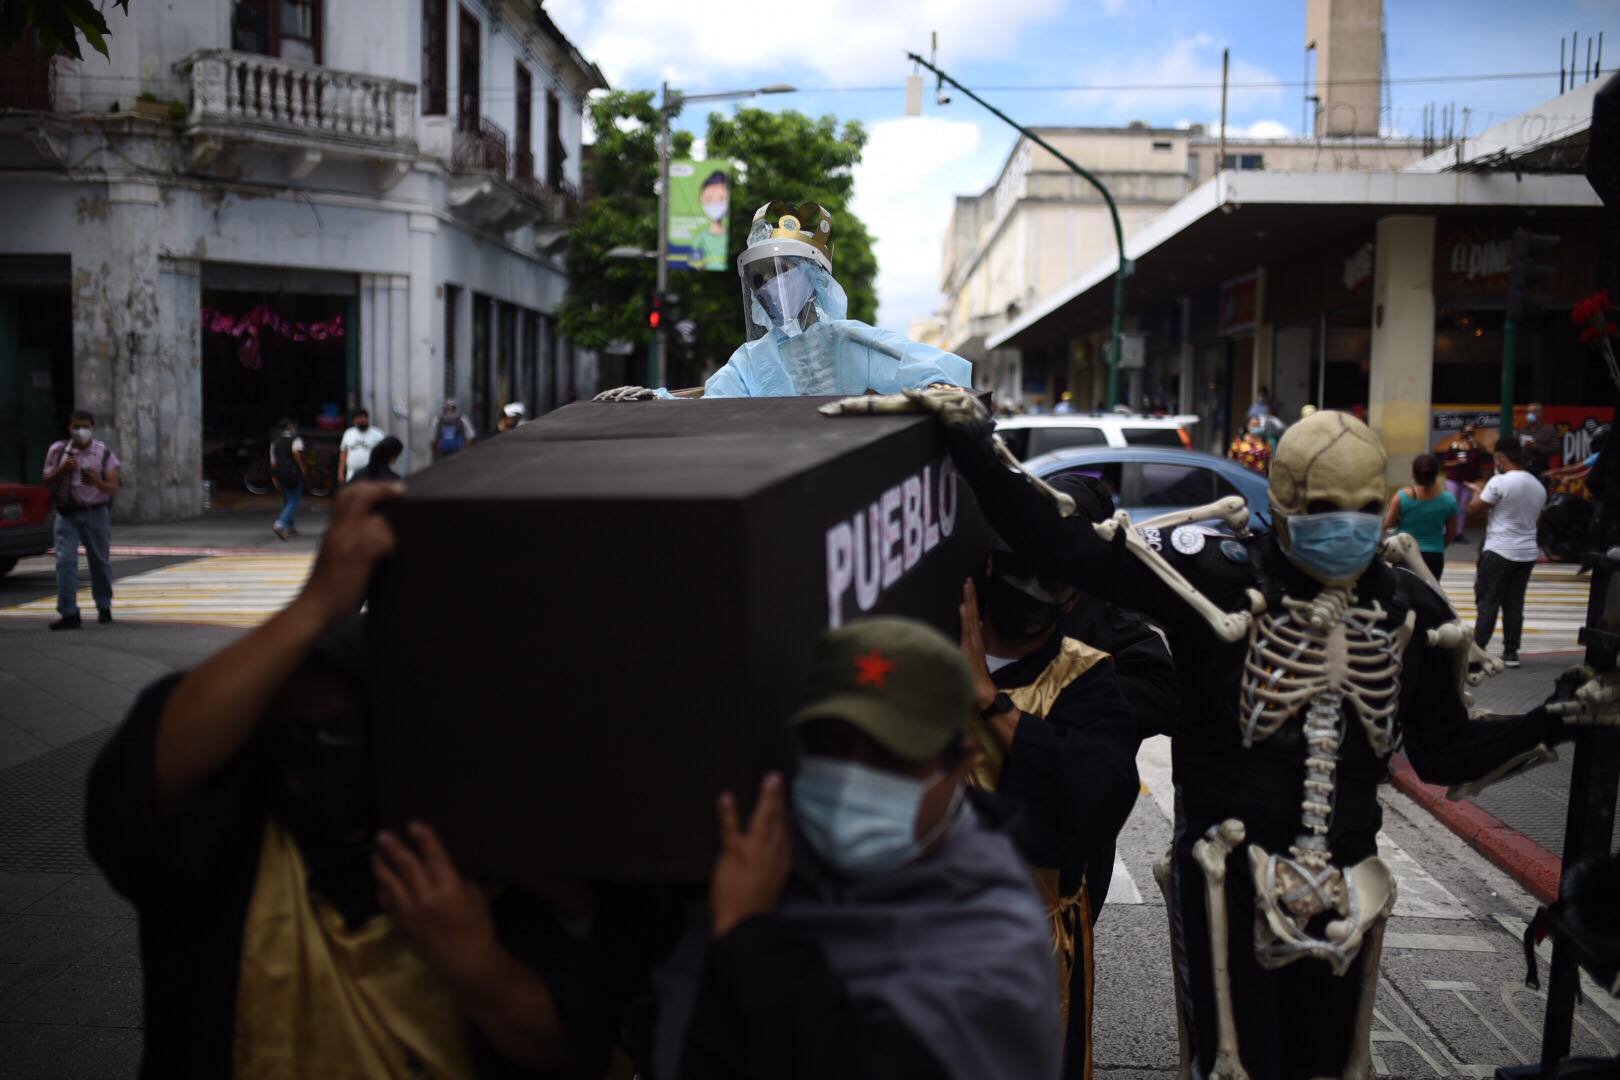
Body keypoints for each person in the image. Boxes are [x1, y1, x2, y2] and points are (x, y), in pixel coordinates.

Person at [909, 396, 1578, 1080]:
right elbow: (1064, 545)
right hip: (1228, 874)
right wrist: (972, 437)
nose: (1341, 526)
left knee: (1330, 1065)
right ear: (1282, 502)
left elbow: (1444, 753)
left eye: (1359, 506)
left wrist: (1553, 718)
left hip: (1351, 881)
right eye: (1321, 505)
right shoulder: (1215, 577)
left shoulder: (1409, 609)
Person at [86, 484, 633, 1078]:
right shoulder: (244, 840)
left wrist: (476, 967)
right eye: (307, 726)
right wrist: (315, 608)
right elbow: (145, 769)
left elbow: (584, 1041)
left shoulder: (493, 867)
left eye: (349, 727)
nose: (329, 745)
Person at [659, 617, 1061, 1080]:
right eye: (831, 747)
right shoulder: (763, 867)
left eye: (889, 757)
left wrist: (751, 936)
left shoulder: (996, 940)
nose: (852, 778)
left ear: (960, 763)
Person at [959, 550, 1139, 1076]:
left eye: (1053, 580)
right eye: (1022, 570)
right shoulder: (925, 653)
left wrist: (992, 703)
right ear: (990, 568)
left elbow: (1092, 797)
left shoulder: (1084, 677)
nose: (1033, 591)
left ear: (1073, 597)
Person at [595, 201, 972, 401]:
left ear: (814, 277)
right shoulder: (750, 361)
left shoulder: (848, 342)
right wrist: (653, 401)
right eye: (760, 278)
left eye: (782, 272)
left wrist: (935, 390)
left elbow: (936, 372)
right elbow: (710, 406)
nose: (769, 286)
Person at [1468, 439, 1547, 668]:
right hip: (1526, 552)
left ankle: (1478, 649)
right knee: (1514, 602)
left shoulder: (1499, 482)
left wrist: (1476, 491)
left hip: (1499, 549)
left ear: (1501, 458)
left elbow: (1473, 510)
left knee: (1488, 600)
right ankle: (1511, 652)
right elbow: (1537, 520)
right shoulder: (1537, 485)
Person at [40, 409, 120, 630]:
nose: (80, 431)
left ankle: (104, 606)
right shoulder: (58, 451)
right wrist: (62, 470)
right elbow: (46, 479)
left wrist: (97, 482)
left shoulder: (103, 453)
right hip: (68, 514)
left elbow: (113, 487)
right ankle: (69, 612)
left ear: (93, 428)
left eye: (85, 427)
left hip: (96, 512)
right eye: (76, 427)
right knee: (65, 561)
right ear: (69, 428)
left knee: (100, 561)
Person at [1383, 453, 1458, 580]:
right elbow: (1451, 534)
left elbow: (1388, 524)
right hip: (1434, 556)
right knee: (1429, 596)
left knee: (1404, 595)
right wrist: (1437, 546)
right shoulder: (1449, 500)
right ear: (1437, 473)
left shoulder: (1401, 497)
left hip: (1405, 554)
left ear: (1413, 473)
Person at [1437, 423, 1489, 541]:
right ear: (1461, 433)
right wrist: (1457, 462)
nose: (1469, 435)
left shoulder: (1475, 447)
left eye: (1472, 432)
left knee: (1462, 507)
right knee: (1451, 505)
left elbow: (1483, 458)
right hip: (1454, 480)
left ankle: (1458, 533)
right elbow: (1445, 463)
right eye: (1467, 432)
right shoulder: (1455, 446)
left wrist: (1475, 443)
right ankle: (1446, 531)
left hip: (1468, 482)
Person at [269, 417, 306, 542]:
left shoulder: (275, 442)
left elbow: (273, 462)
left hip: (280, 474)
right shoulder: (296, 439)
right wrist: (303, 468)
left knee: (287, 499)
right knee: (293, 501)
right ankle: (280, 524)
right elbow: (297, 454)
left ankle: (290, 528)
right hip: (293, 474)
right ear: (290, 428)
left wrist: (274, 477)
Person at [690, 169, 730, 270]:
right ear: (701, 201)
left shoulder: (731, 236)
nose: (715, 204)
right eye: (709, 199)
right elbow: (695, 263)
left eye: (721, 199)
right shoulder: (699, 238)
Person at [337, 407, 386, 485]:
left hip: (371, 476)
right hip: (351, 475)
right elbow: (343, 454)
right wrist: (340, 473)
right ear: (354, 421)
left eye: (363, 417)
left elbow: (385, 455)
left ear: (367, 418)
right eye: (358, 418)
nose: (361, 420)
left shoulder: (378, 434)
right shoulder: (348, 433)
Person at [1517, 403, 1559, 476]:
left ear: (1540, 414)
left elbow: (1555, 450)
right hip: (1523, 468)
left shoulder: (1548, 429)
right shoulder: (1523, 430)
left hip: (1540, 468)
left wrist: (1535, 446)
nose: (1530, 414)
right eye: (1528, 412)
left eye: (1533, 412)